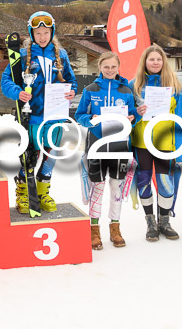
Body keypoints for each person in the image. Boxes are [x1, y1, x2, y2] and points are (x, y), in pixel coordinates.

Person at [1, 11, 76, 213]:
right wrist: (18, 92)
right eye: (38, 33)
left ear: (52, 33)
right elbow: (5, 81)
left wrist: (72, 91)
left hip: (55, 117)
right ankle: (24, 193)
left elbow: (72, 81)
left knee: (51, 156)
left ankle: (43, 192)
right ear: (31, 34)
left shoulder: (62, 55)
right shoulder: (23, 56)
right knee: (29, 156)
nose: (42, 37)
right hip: (31, 117)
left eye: (46, 32)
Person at [76, 52, 138, 250]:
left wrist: (132, 119)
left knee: (116, 187)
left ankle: (115, 228)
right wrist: (90, 120)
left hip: (120, 146)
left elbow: (133, 114)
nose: (110, 70)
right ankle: (94, 229)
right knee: (98, 187)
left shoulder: (126, 90)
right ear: (100, 67)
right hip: (96, 145)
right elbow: (79, 115)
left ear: (118, 67)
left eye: (113, 67)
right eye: (106, 67)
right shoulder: (90, 89)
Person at [130, 45, 182, 241]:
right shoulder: (134, 85)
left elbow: (181, 117)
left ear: (164, 62)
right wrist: (137, 115)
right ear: (144, 61)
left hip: (165, 142)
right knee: (144, 182)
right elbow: (128, 116)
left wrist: (180, 146)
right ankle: (150, 222)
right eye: (151, 59)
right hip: (142, 143)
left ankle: (165, 221)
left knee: (165, 183)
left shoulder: (174, 85)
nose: (155, 63)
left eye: (159, 60)